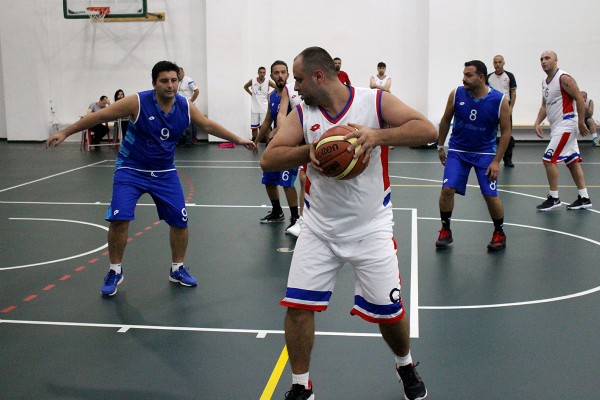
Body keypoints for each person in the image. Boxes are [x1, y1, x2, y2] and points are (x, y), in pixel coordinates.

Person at [261, 46, 436, 400]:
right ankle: (300, 385)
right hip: (319, 228)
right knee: (297, 308)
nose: (294, 87)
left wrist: (377, 136)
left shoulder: (374, 102)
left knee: (390, 314)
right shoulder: (302, 112)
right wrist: (307, 151)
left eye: (298, 79)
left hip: (370, 227)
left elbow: (427, 129)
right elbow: (269, 159)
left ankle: (404, 364)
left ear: (318, 76)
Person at [46, 61, 257, 297]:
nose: (170, 85)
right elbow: (100, 116)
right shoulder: (137, 102)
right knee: (119, 219)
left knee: (180, 221)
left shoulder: (185, 106)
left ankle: (177, 268)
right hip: (131, 169)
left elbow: (207, 124)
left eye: (174, 80)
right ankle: (115, 270)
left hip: (164, 172)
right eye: (164, 81)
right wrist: (65, 132)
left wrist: (239, 139)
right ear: (154, 83)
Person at [435, 60, 511, 252]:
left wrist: (496, 161)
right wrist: (440, 146)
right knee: (447, 189)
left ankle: (499, 232)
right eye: (464, 74)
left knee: (490, 196)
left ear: (481, 77)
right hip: (458, 151)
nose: (464, 78)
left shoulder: (499, 100)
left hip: (485, 153)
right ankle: (445, 230)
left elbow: (507, 132)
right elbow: (445, 120)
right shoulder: (457, 94)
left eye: (469, 75)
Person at [534, 51, 593, 211]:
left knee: (548, 159)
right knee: (572, 161)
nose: (543, 61)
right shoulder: (545, 82)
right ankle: (584, 197)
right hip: (557, 127)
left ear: (555, 60)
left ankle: (554, 198)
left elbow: (579, 99)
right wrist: (537, 122)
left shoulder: (564, 78)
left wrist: (581, 122)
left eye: (547, 58)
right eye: (541, 59)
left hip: (566, 125)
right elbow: (544, 105)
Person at [254, 60, 300, 233]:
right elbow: (268, 120)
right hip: (274, 145)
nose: (280, 75)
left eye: (283, 72)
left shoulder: (295, 94)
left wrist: (281, 131)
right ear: (271, 76)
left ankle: (295, 218)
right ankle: (277, 211)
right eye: (276, 73)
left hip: (291, 146)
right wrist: (256, 140)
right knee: (269, 179)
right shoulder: (272, 96)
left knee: (287, 182)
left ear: (287, 75)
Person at [486, 55, 517, 167]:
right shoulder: (488, 77)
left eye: (500, 62)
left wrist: (510, 108)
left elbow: (513, 93)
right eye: (495, 62)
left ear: (503, 63)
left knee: (506, 133)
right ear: (493, 63)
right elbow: (485, 93)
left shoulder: (509, 76)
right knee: (490, 133)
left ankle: (507, 159)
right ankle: (490, 157)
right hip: (492, 107)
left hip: (505, 107)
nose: (497, 64)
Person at [244, 66, 276, 141]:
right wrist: (251, 93)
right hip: (254, 108)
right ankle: (254, 142)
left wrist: (270, 94)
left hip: (264, 108)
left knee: (266, 127)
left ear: (265, 73)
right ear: (258, 73)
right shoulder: (252, 81)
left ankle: (268, 142)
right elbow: (245, 86)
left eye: (263, 72)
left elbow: (277, 87)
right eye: (261, 72)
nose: (262, 74)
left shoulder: (268, 82)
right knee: (254, 127)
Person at [177, 67, 200, 145]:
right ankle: (187, 139)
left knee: (190, 123)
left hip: (188, 105)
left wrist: (191, 101)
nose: (178, 75)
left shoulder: (189, 80)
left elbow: (196, 91)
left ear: (183, 72)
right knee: (187, 122)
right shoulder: (177, 81)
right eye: (177, 73)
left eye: (179, 73)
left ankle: (190, 140)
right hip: (180, 105)